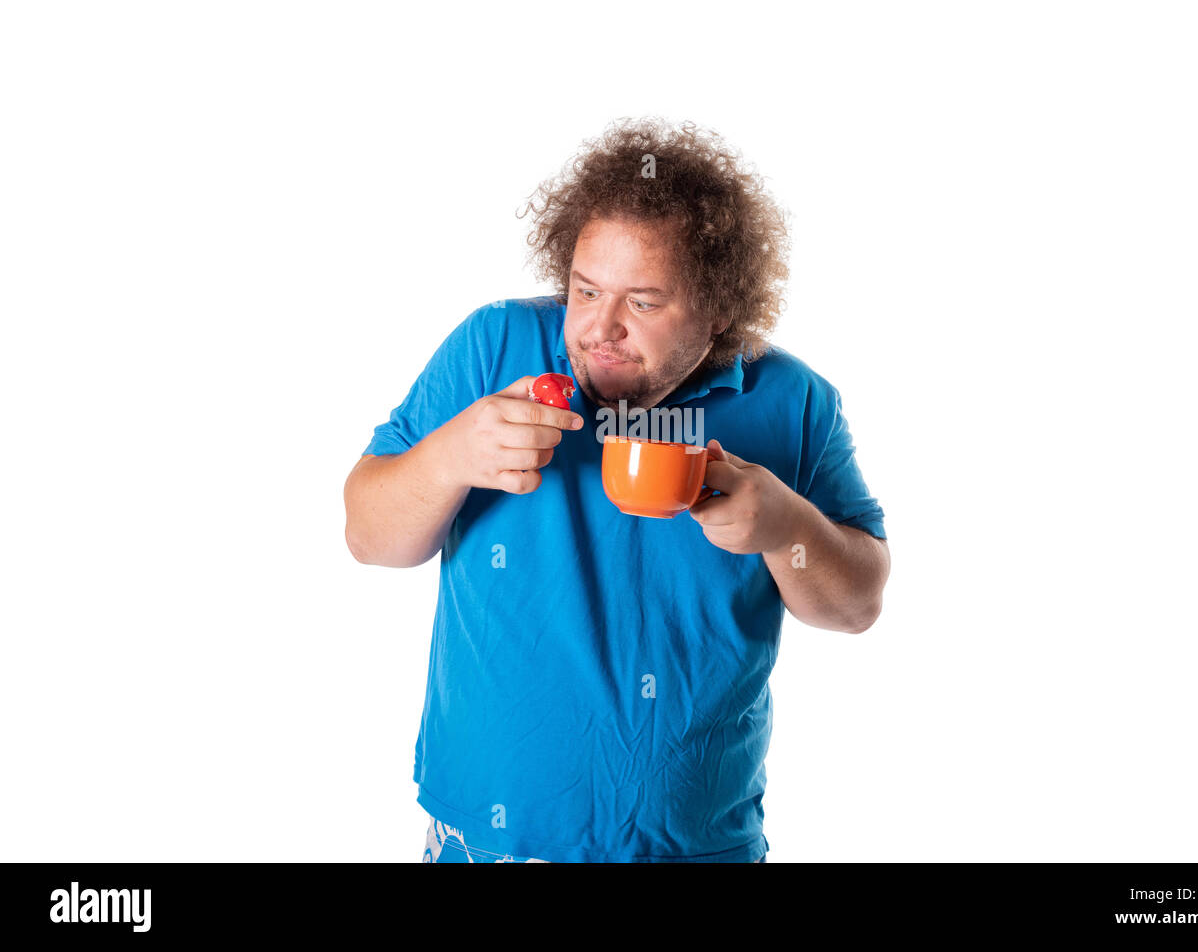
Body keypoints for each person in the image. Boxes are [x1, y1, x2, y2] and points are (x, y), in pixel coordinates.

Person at [344, 117, 890, 863]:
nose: (600, 329)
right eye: (585, 290)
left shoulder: (795, 403)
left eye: (643, 302)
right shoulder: (492, 347)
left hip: (698, 846)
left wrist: (787, 530)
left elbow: (858, 605)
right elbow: (368, 539)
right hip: (493, 839)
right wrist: (447, 458)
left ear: (718, 309)